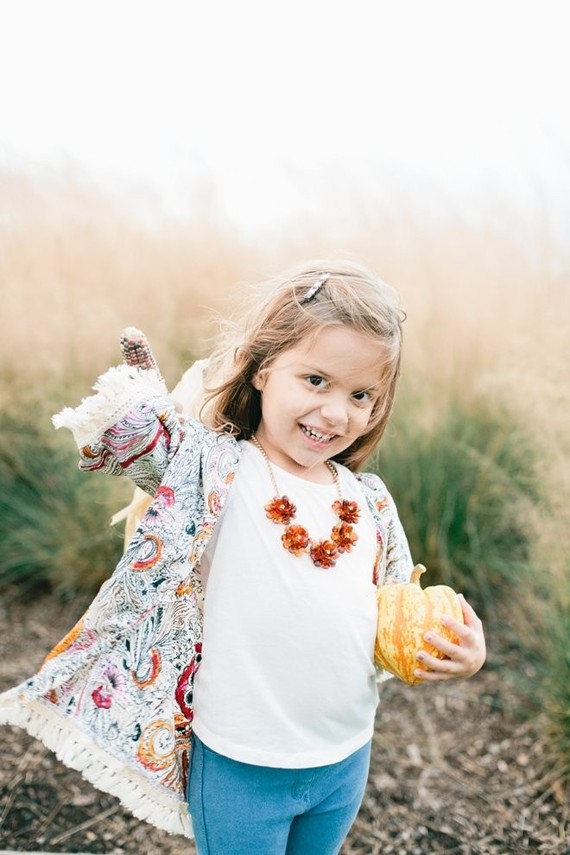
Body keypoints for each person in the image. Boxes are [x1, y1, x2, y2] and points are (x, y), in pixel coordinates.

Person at [0, 260, 486, 855]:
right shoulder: (214, 468)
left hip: (343, 757)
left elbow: (397, 610)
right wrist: (142, 406)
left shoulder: (369, 501)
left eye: (361, 394)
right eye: (315, 381)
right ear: (261, 370)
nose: (337, 412)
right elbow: (140, 450)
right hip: (241, 763)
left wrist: (457, 649)